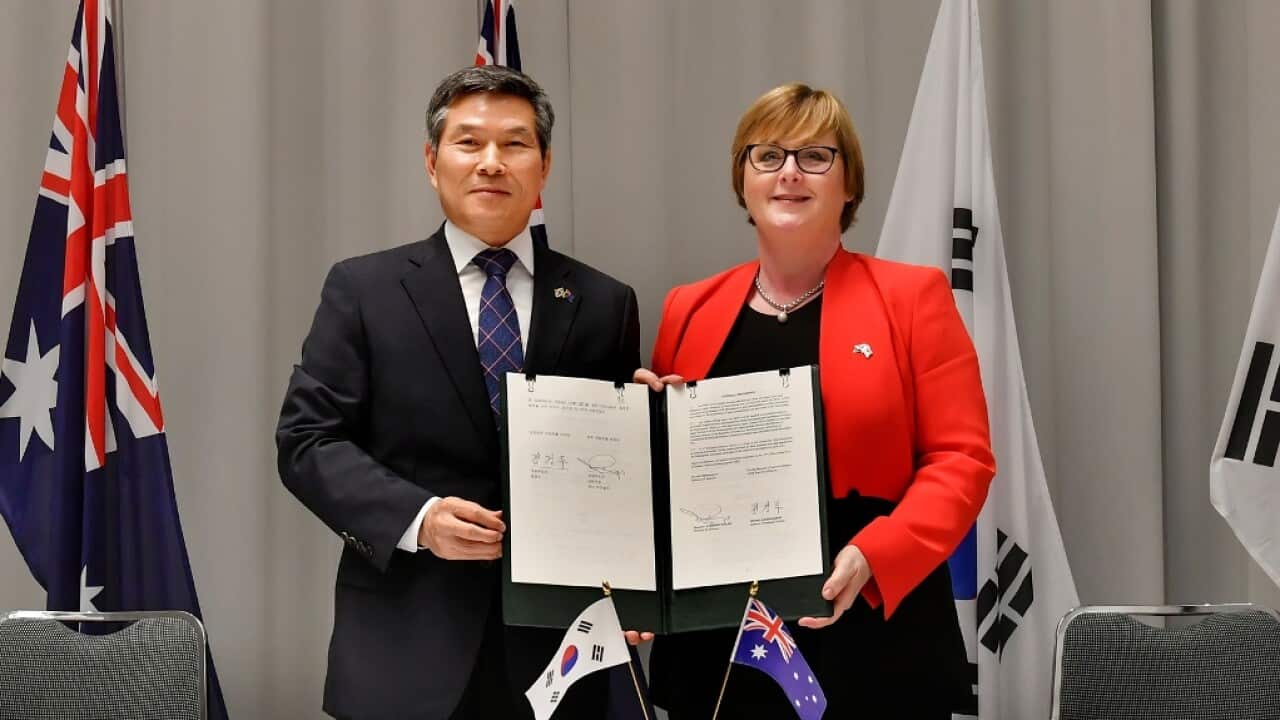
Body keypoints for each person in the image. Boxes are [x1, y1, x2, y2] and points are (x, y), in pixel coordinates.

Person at [276, 65, 641, 720]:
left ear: (545, 166)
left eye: (515, 143)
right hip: (405, 650)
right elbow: (306, 442)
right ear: (432, 160)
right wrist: (419, 520)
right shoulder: (365, 291)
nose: (492, 163)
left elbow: (615, 479)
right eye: (469, 143)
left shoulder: (603, 303)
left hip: (563, 659)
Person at [633, 83, 996, 718]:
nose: (790, 174)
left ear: (848, 183)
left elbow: (962, 461)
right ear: (742, 181)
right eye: (767, 156)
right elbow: (669, 486)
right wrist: (648, 427)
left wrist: (877, 554)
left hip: (872, 620)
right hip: (719, 637)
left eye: (816, 157)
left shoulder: (912, 297)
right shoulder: (688, 309)